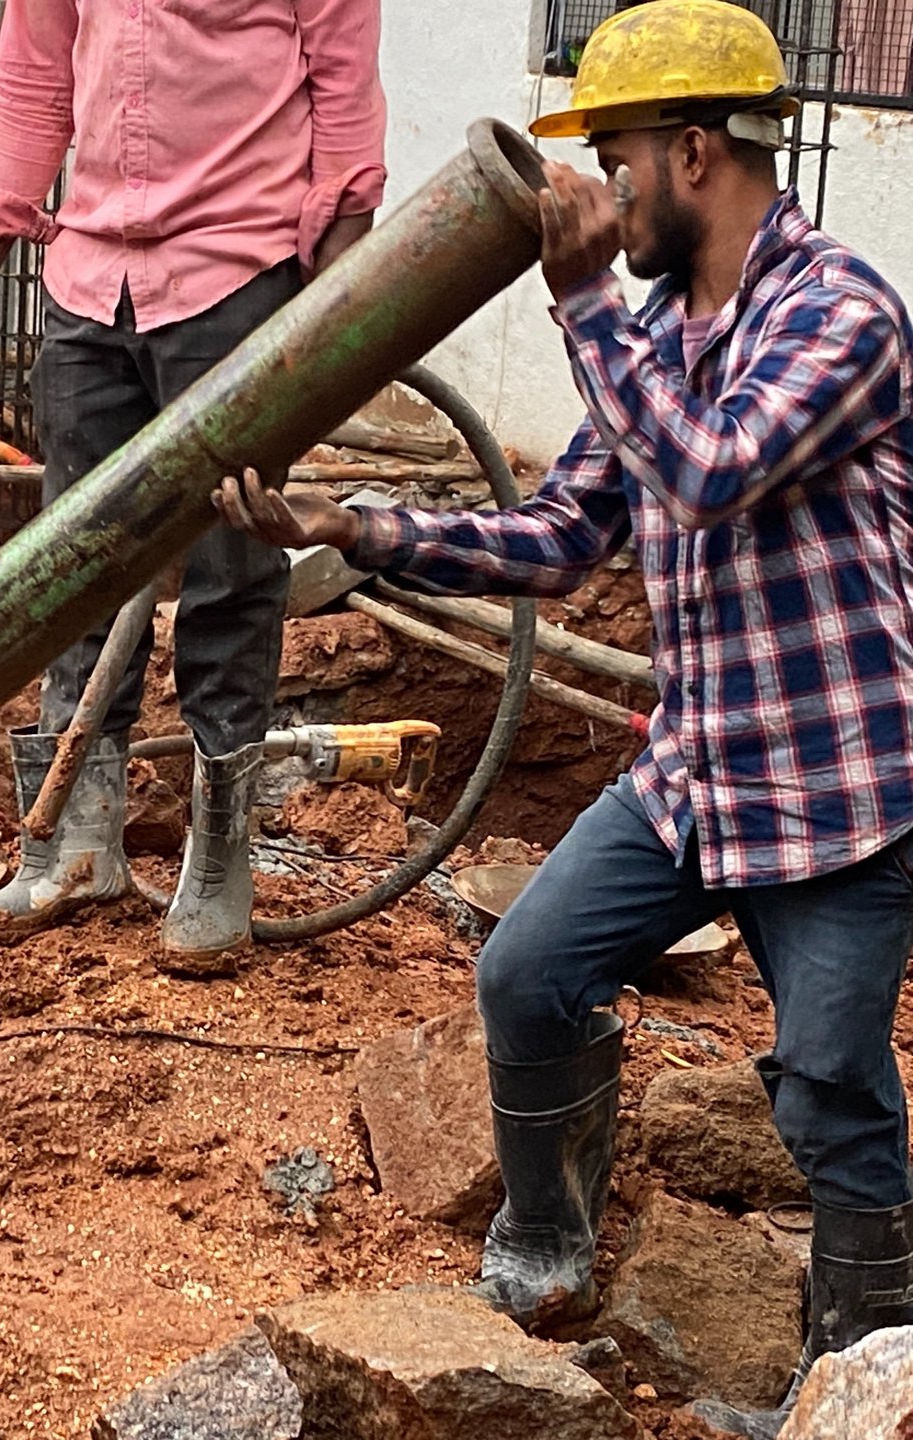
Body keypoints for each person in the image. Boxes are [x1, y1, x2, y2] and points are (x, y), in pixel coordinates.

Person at [216, 5, 913, 1434]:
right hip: (698, 772)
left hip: (841, 784)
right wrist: (356, 523)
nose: (595, 194)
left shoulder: (844, 315)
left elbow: (712, 473)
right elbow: (561, 537)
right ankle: (548, 1239)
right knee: (527, 975)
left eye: (616, 159)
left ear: (695, 155)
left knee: (832, 1084)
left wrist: (584, 303)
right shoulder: (656, 332)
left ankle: (864, 1373)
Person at [0, 0, 386, 960]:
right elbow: (32, 90)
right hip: (88, 282)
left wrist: (333, 310)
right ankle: (73, 844)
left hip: (239, 274)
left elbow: (345, 105)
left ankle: (220, 862)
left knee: (231, 571)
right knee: (75, 566)